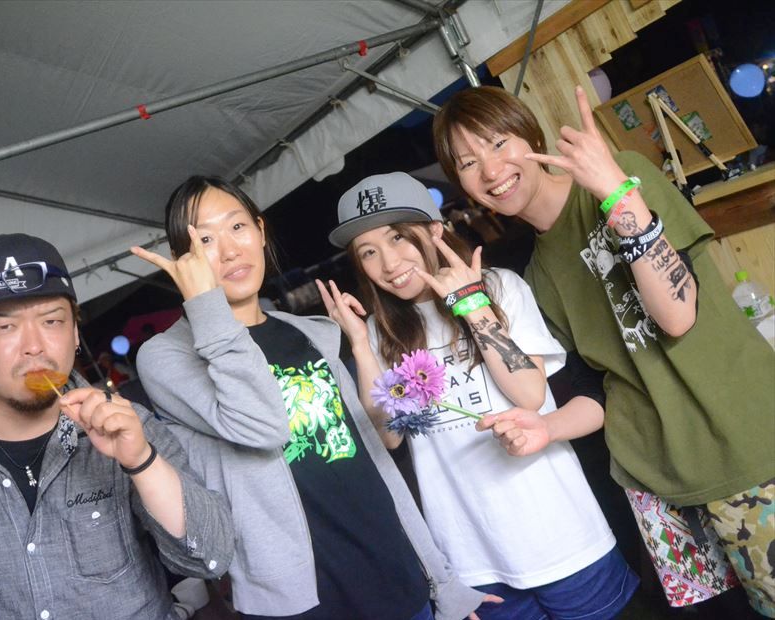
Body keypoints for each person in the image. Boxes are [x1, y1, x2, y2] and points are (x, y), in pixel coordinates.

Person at [431, 85, 775, 616]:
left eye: (498, 143)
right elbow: (599, 392)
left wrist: (616, 195)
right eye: (468, 163)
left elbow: (677, 314)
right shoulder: (537, 277)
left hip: (747, 443)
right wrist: (546, 428)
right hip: (654, 483)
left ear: (530, 136)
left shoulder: (620, 176)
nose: (491, 170)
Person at [132, 176, 499, 619]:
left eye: (237, 227)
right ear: (182, 263)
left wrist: (442, 580)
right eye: (205, 240)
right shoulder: (166, 357)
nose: (229, 251)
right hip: (302, 603)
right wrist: (205, 307)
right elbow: (263, 427)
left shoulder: (311, 333)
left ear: (260, 231)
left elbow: (377, 463)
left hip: (397, 574)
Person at [0, 233, 234, 619]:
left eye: (52, 321)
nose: (35, 345)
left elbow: (210, 558)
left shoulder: (128, 425)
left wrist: (142, 461)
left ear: (74, 334)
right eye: (5, 327)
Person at [321, 171, 638, 620]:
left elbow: (529, 394)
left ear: (435, 230)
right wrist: (358, 343)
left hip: (561, 534)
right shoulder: (379, 331)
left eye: (398, 237)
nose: (388, 263)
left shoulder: (499, 287)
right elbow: (389, 437)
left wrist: (471, 303)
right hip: (471, 556)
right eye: (368, 252)